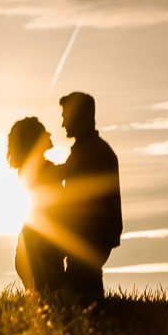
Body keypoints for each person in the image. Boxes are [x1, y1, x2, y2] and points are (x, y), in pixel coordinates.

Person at [55, 91, 122, 304]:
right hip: (90, 236)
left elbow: (83, 201)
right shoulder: (84, 151)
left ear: (82, 116)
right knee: (83, 290)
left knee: (80, 295)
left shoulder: (94, 153)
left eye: (66, 116)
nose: (63, 123)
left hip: (90, 237)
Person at [5, 116, 65, 296]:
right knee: (48, 299)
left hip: (35, 244)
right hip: (39, 247)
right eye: (43, 131)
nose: (50, 134)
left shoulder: (35, 168)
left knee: (44, 299)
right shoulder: (41, 169)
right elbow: (67, 171)